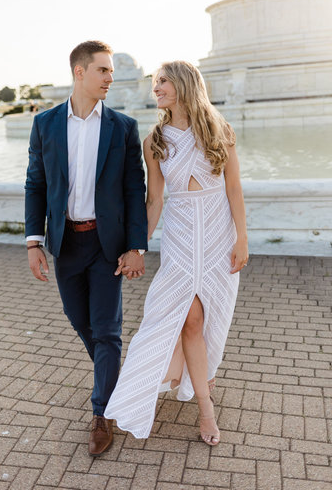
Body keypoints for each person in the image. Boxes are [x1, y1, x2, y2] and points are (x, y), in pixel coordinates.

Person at [105, 60, 248, 445]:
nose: (157, 88)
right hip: (181, 238)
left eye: (163, 81)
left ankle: (203, 373)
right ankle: (206, 410)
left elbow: (234, 190)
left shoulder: (220, 130)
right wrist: (137, 247)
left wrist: (243, 239)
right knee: (190, 319)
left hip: (219, 235)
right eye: (155, 82)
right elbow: (154, 200)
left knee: (213, 315)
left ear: (184, 84)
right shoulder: (155, 140)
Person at [24, 40, 148, 456]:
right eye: (103, 70)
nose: (111, 78)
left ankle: (102, 413)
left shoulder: (123, 127)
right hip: (65, 243)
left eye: (111, 70)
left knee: (108, 331)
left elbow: (135, 190)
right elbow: (36, 185)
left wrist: (136, 246)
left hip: (106, 244)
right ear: (80, 72)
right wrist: (33, 242)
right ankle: (115, 377)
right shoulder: (45, 124)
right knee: (82, 322)